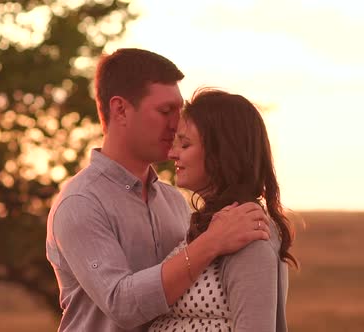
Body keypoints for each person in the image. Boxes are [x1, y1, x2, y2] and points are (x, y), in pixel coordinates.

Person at [45, 48, 272, 332]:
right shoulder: (81, 203)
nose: (177, 124)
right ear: (121, 110)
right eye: (166, 111)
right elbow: (122, 305)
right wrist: (212, 241)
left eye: (179, 110)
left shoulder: (174, 201)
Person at [149, 88, 298, 332]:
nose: (172, 153)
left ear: (221, 152)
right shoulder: (213, 226)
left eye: (185, 145)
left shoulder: (248, 234)